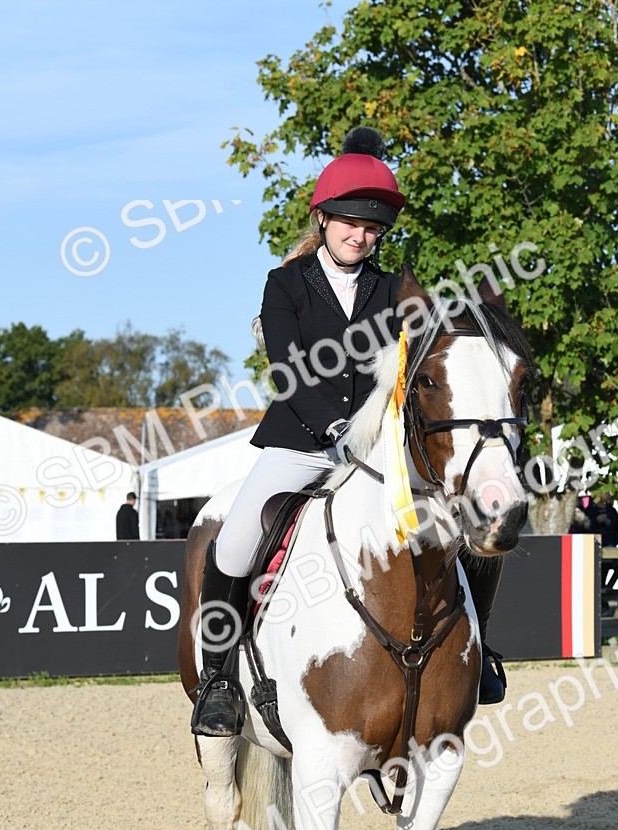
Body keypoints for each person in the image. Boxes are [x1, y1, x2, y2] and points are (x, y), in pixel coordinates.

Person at [190, 128, 508, 737]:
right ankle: (218, 680)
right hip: (298, 443)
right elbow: (288, 370)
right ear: (323, 217)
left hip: (375, 453)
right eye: (349, 224)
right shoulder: (284, 284)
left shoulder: (394, 290)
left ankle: (478, 653)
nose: (360, 236)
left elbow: (423, 359)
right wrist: (335, 425)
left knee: (469, 525)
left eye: (372, 229)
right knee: (232, 542)